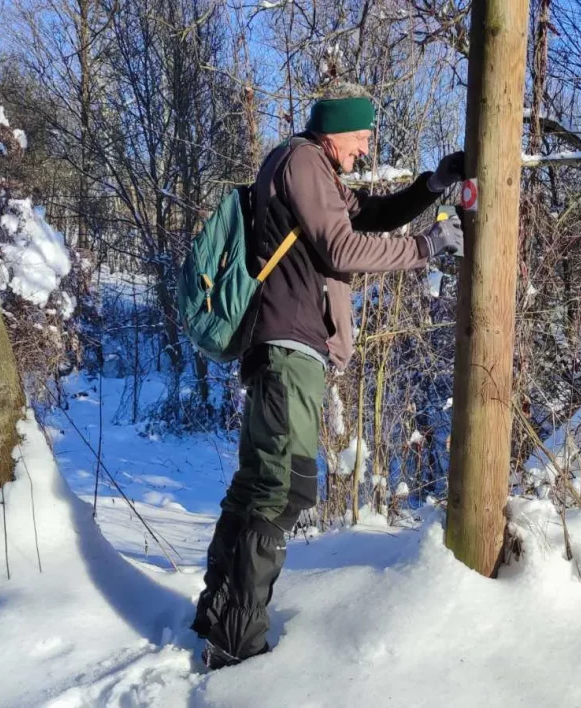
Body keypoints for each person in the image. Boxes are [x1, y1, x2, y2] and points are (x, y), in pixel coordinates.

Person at [191, 83, 466, 669]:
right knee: (282, 487)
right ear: (336, 130)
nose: (365, 150)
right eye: (363, 138)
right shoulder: (301, 161)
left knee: (259, 484)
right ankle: (236, 641)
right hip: (288, 346)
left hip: (289, 349)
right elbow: (343, 247)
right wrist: (426, 246)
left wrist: (430, 187)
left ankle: (218, 613)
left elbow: (365, 213)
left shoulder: (313, 172)